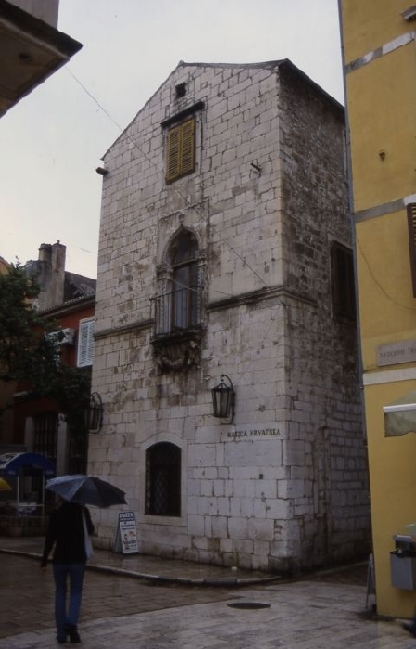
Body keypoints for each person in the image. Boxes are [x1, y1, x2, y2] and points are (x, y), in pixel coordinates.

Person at [41, 498, 95, 644]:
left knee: (60, 593)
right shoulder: (83, 512)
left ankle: (61, 635)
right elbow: (91, 530)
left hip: (60, 559)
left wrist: (44, 560)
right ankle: (71, 622)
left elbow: (49, 539)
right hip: (78, 559)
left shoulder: (56, 513)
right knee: (76, 592)